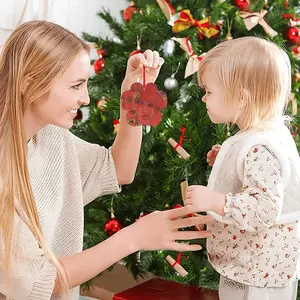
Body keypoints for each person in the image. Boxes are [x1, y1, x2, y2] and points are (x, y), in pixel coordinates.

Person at [0, 20, 213, 300]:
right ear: (30, 84)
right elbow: (37, 281)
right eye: (76, 86)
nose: (86, 99)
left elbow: (118, 170)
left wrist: (132, 93)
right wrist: (134, 237)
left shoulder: (50, 137)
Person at [184, 36, 300, 300]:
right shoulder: (264, 133)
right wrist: (225, 158)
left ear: (241, 98)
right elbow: (266, 175)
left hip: (258, 274)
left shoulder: (260, 148)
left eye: (209, 91)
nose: (204, 99)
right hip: (258, 267)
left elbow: (264, 210)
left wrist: (215, 200)